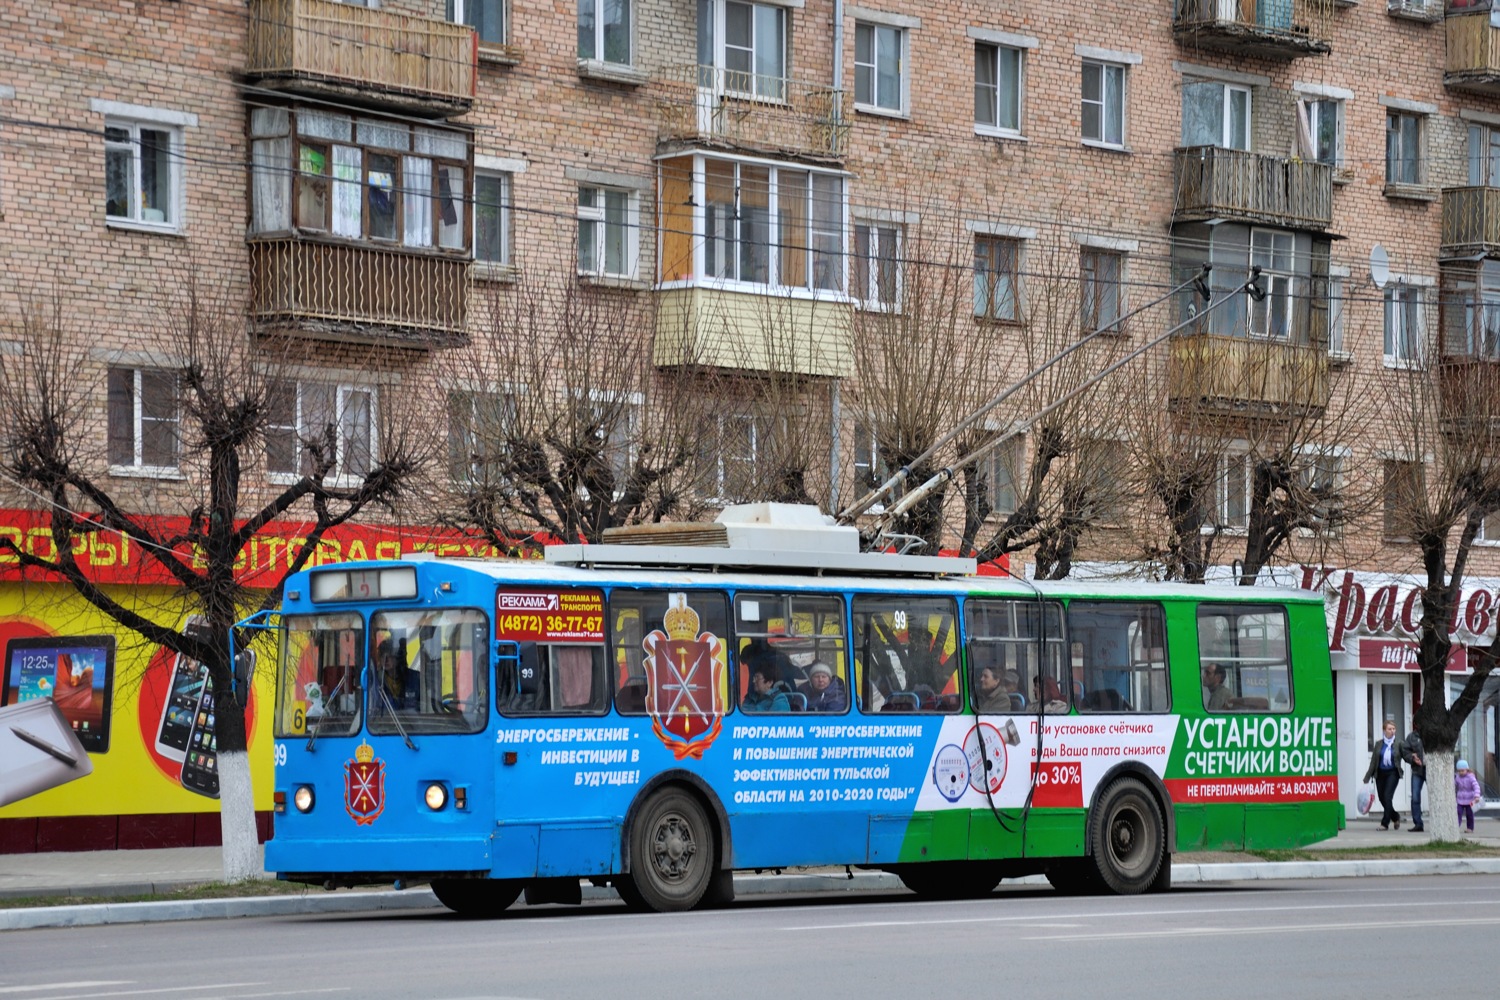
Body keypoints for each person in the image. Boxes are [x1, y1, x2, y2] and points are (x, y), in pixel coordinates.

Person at [1363, 721, 1404, 830]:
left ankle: (1385, 823)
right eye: (1389, 729)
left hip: (1393, 773)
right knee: (1382, 799)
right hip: (1380, 774)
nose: (1392, 731)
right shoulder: (1379, 744)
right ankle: (1395, 816)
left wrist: (1413, 758)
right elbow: (1373, 762)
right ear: (1384, 730)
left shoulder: (1399, 743)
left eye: (1393, 729)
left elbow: (1406, 755)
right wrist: (1367, 777)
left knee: (1387, 796)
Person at [1402, 728, 1426, 832]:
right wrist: (1412, 757)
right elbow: (1405, 751)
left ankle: (1439, 822)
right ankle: (1418, 824)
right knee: (1415, 797)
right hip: (1417, 770)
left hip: (1432, 770)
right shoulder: (1412, 736)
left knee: (1436, 796)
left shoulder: (1434, 733)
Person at [1456, 759, 1482, 833]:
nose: (1461, 772)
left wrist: (1477, 795)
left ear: (1467, 769)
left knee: (1469, 814)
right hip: (1460, 799)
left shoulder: (1471, 777)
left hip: (1470, 799)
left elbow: (1476, 786)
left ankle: (1470, 828)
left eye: (1462, 770)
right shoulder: (1457, 777)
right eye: (1459, 771)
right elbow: (1454, 784)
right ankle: (1456, 826)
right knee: (1458, 813)